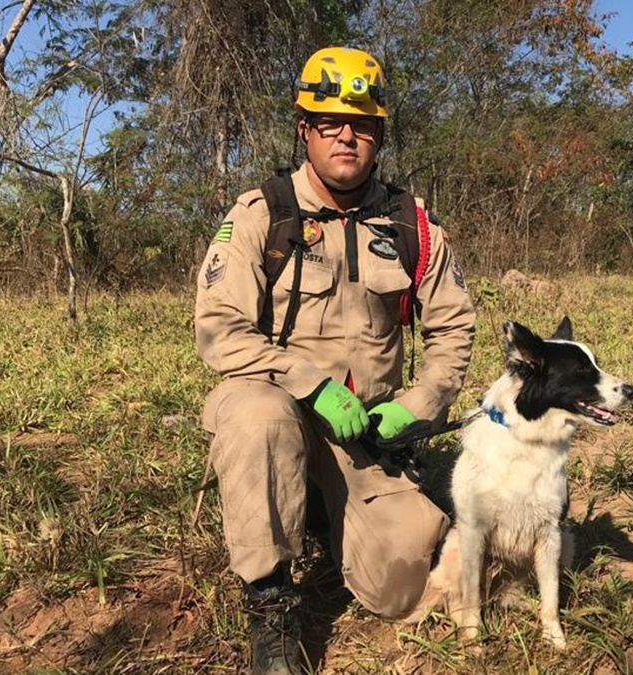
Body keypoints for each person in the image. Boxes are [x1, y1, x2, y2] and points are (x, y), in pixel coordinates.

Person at [195, 46, 475, 674]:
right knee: (260, 419)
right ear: (305, 129)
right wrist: (311, 386)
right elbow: (219, 330)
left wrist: (420, 404)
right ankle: (270, 601)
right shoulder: (261, 214)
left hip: (366, 433)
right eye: (329, 122)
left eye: (363, 124)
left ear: (379, 134)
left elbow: (453, 328)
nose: (346, 136)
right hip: (277, 407)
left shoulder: (413, 224)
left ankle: (324, 508)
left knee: (402, 587)